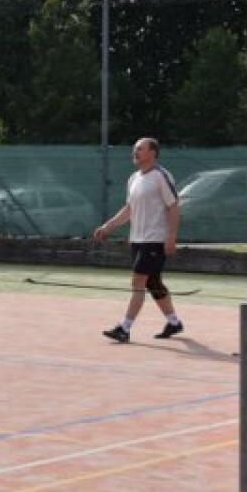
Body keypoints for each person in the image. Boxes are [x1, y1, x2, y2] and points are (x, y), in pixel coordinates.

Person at [92, 137, 183, 342]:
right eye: (134, 149)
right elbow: (129, 209)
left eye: (140, 149)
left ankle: (124, 328)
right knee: (153, 282)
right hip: (137, 240)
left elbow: (173, 206)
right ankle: (174, 322)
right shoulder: (133, 178)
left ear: (153, 153)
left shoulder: (161, 176)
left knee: (138, 281)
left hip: (155, 240)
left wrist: (171, 236)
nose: (135, 152)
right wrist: (107, 226)